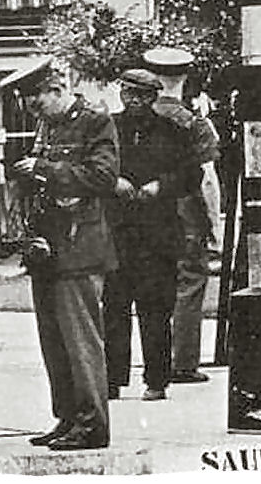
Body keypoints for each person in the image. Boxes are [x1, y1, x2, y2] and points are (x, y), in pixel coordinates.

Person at [10, 57, 119, 450]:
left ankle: (92, 424)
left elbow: (104, 177)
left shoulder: (94, 122)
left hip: (79, 247)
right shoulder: (50, 125)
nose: (34, 112)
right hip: (49, 250)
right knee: (54, 342)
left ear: (56, 91)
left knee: (80, 341)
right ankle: (69, 416)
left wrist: (46, 168)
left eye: (37, 102)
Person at [103, 69, 203, 401]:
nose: (133, 101)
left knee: (156, 310)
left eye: (141, 96)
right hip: (116, 231)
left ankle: (156, 380)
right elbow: (94, 167)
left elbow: (191, 174)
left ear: (152, 98)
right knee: (114, 309)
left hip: (157, 233)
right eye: (128, 94)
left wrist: (161, 186)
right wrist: (113, 182)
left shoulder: (172, 132)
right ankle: (112, 379)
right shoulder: (108, 129)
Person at [144, 47, 221, 384]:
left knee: (149, 287)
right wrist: (215, 222)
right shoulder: (194, 124)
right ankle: (183, 362)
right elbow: (206, 178)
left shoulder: (132, 119)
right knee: (190, 283)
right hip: (185, 212)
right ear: (185, 77)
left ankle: (150, 365)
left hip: (143, 215)